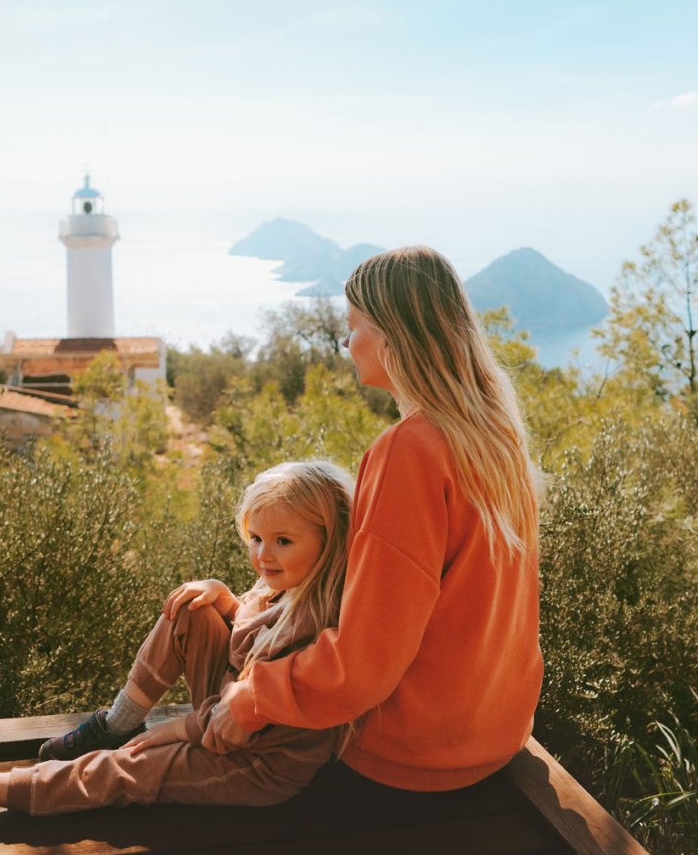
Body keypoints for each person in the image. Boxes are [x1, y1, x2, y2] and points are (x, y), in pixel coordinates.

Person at [202, 246, 543, 797]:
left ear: (392, 336)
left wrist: (252, 698)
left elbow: (365, 662)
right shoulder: (495, 437)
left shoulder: (410, 450)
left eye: (353, 325)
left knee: (198, 704)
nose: (346, 342)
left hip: (409, 754)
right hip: (492, 736)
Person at [0, 460, 355, 815]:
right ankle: (119, 722)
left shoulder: (311, 627)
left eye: (282, 541)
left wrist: (171, 732)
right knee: (190, 609)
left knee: (135, 767)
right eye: (255, 538)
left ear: (330, 542)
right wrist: (227, 601)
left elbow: (233, 723)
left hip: (253, 762)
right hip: (226, 716)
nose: (263, 555)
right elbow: (249, 648)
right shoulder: (288, 587)